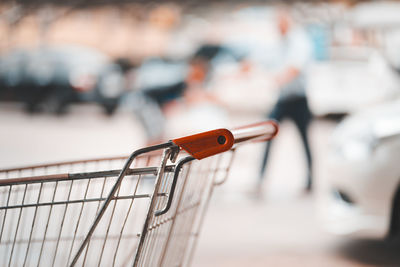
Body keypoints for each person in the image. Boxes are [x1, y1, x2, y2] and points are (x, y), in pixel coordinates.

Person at [258, 9, 314, 193]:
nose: (277, 27)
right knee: (268, 134)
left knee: (305, 141)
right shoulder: (279, 43)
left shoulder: (299, 40)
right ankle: (260, 179)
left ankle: (310, 181)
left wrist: (278, 80)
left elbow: (295, 67)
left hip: (298, 99)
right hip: (283, 99)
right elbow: (265, 60)